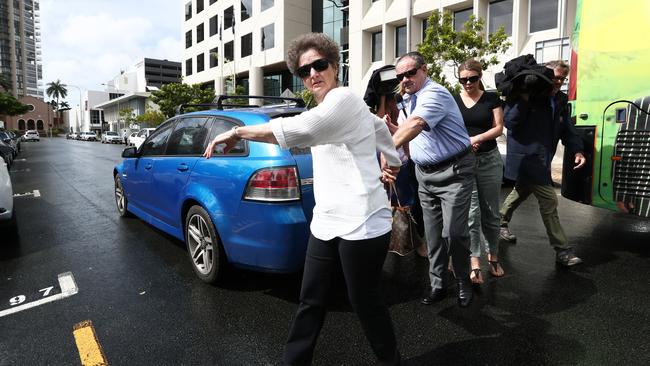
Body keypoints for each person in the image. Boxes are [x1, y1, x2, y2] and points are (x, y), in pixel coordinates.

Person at [203, 33, 402, 365]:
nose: (312, 74)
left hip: (364, 222)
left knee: (364, 301)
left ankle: (391, 360)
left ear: (334, 66)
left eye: (319, 65)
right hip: (325, 222)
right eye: (304, 70)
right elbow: (380, 129)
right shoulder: (332, 107)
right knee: (310, 299)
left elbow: (303, 129)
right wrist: (391, 161)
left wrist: (238, 132)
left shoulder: (344, 100)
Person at [391, 51, 476, 307]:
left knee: (455, 233)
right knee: (433, 235)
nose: (405, 79)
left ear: (424, 70)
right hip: (424, 175)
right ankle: (438, 284)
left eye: (410, 73)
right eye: (400, 76)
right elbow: (413, 132)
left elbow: (416, 124)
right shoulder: (408, 99)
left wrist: (388, 151)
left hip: (454, 172)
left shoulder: (434, 93)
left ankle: (463, 280)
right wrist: (392, 130)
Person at [499, 60, 586, 266]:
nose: (557, 81)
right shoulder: (528, 94)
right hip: (526, 158)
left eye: (562, 79)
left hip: (543, 158)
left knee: (521, 191)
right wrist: (524, 98)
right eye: (554, 77)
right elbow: (510, 122)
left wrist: (577, 150)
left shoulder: (561, 100)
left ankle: (500, 221)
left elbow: (567, 128)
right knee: (549, 201)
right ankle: (562, 249)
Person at [453, 59, 505, 284]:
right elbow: (451, 128)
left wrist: (476, 138)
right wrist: (464, 143)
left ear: (479, 77)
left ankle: (493, 256)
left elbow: (498, 128)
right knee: (472, 215)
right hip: (465, 161)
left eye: (472, 79)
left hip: (489, 160)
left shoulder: (491, 98)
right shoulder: (454, 100)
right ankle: (475, 261)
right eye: (463, 79)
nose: (467, 83)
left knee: (491, 212)